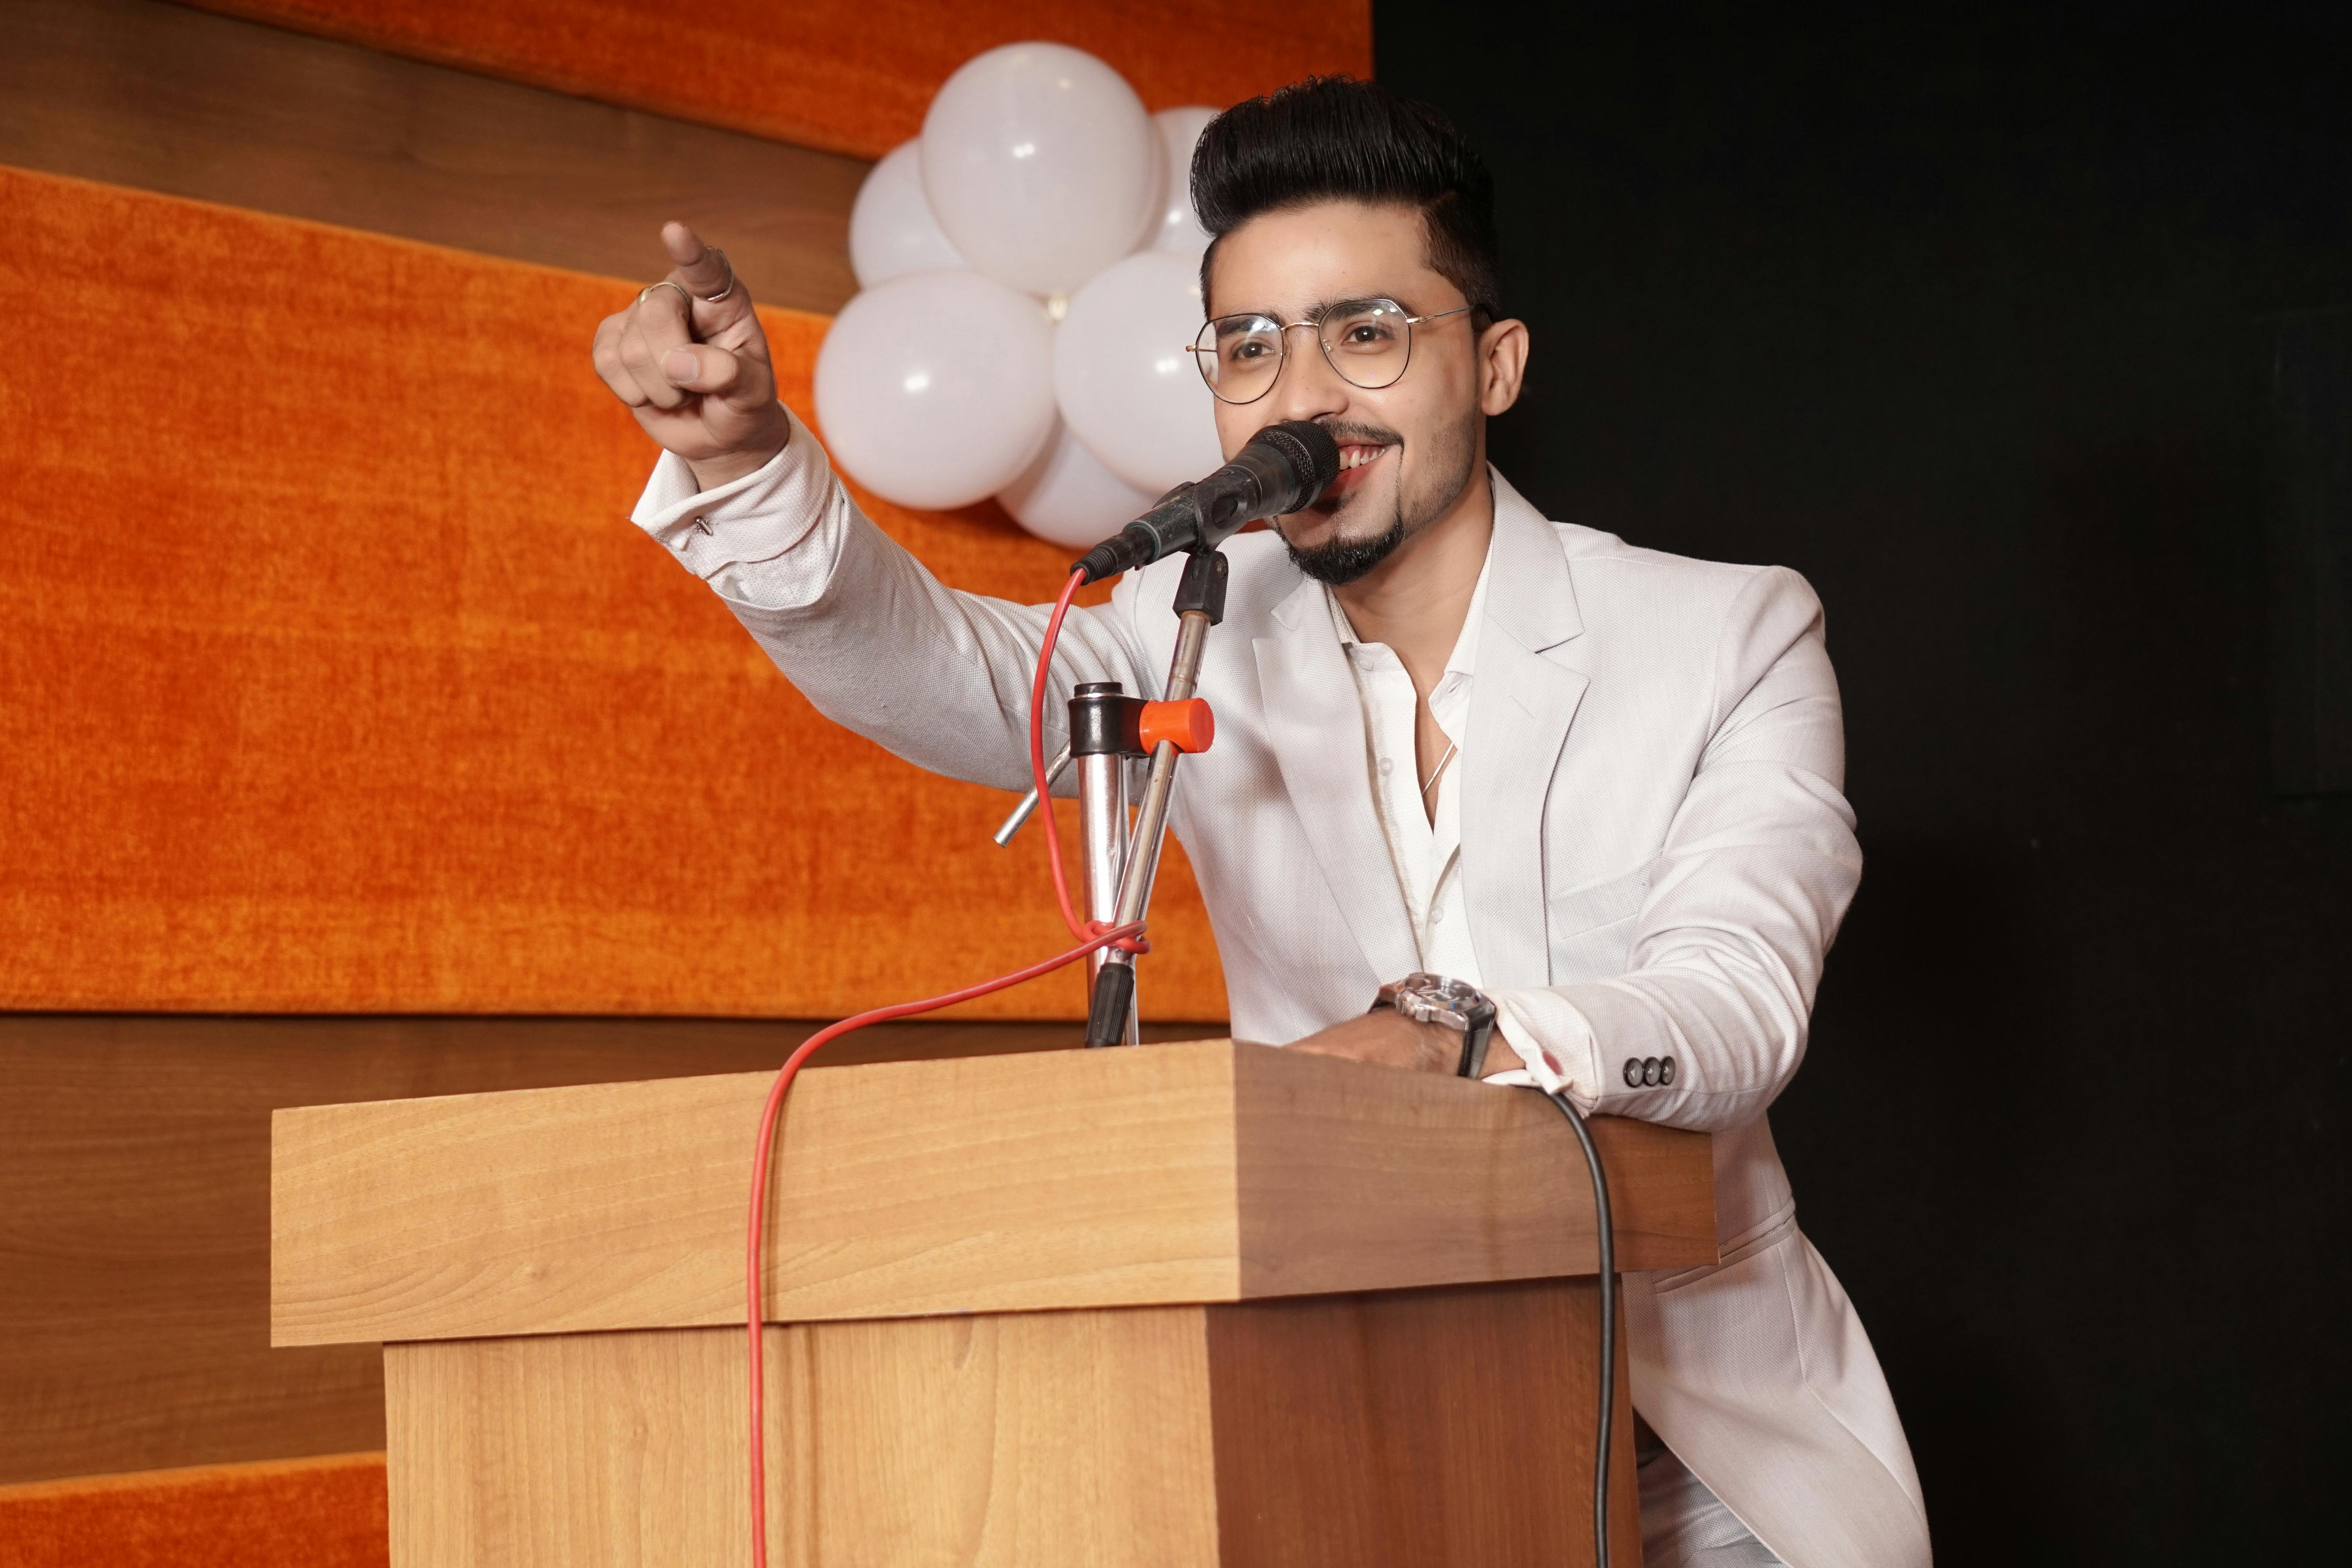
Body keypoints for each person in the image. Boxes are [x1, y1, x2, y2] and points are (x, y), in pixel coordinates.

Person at [591, 75, 1930, 1568]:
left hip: (1708, 1453)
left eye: (1365, 334)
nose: (1302, 398)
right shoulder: (1194, 621)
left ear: (1493, 365)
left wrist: (1447, 1034)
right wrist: (744, 460)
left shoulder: (1727, 633)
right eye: (1249, 347)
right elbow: (942, 671)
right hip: (1351, 1429)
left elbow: (1732, 1007)